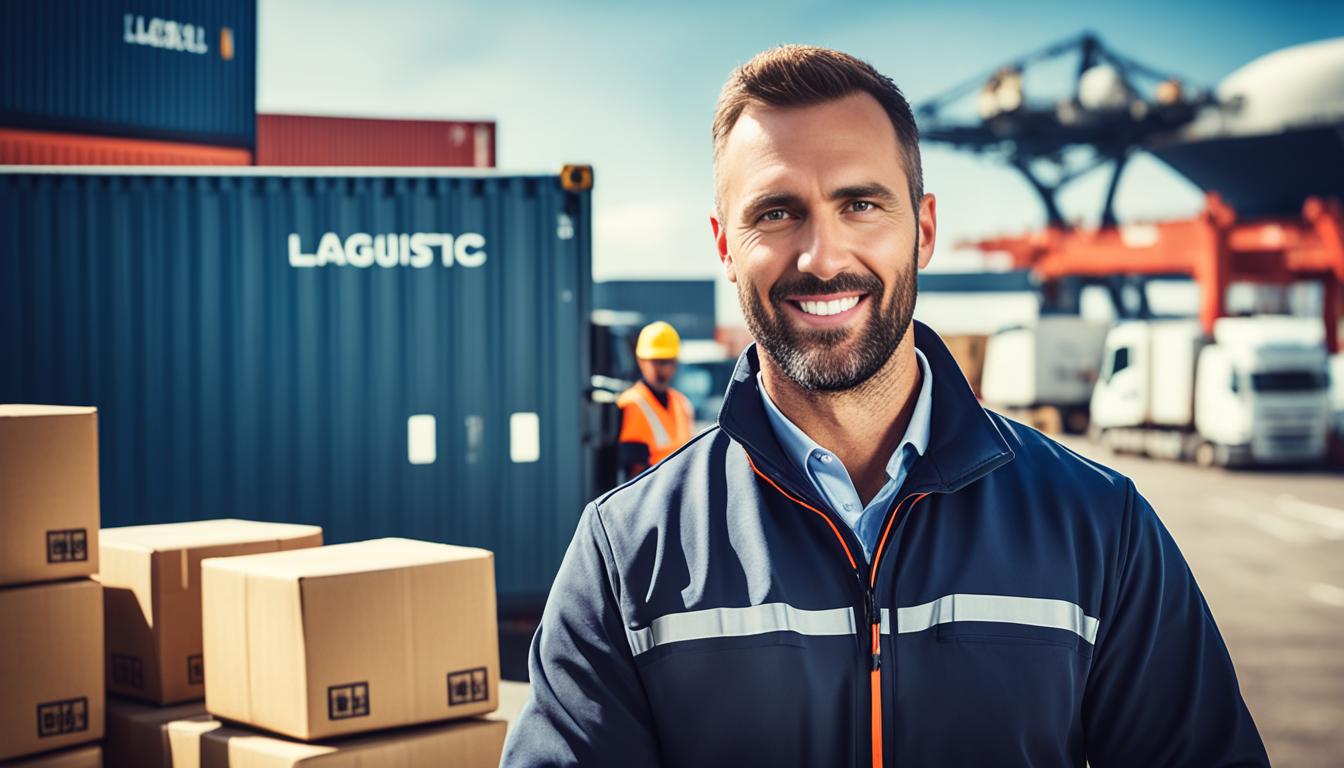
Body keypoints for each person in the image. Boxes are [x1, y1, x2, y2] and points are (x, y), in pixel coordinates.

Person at [503, 46, 1268, 767]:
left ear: (924, 228)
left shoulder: (1102, 528)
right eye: (776, 212)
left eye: (860, 203)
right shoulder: (624, 556)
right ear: (724, 246)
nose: (822, 257)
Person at [615, 321, 695, 478]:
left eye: (669, 361)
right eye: (658, 361)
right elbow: (633, 471)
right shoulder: (632, 403)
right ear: (641, 361)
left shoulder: (682, 403)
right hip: (652, 493)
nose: (665, 368)